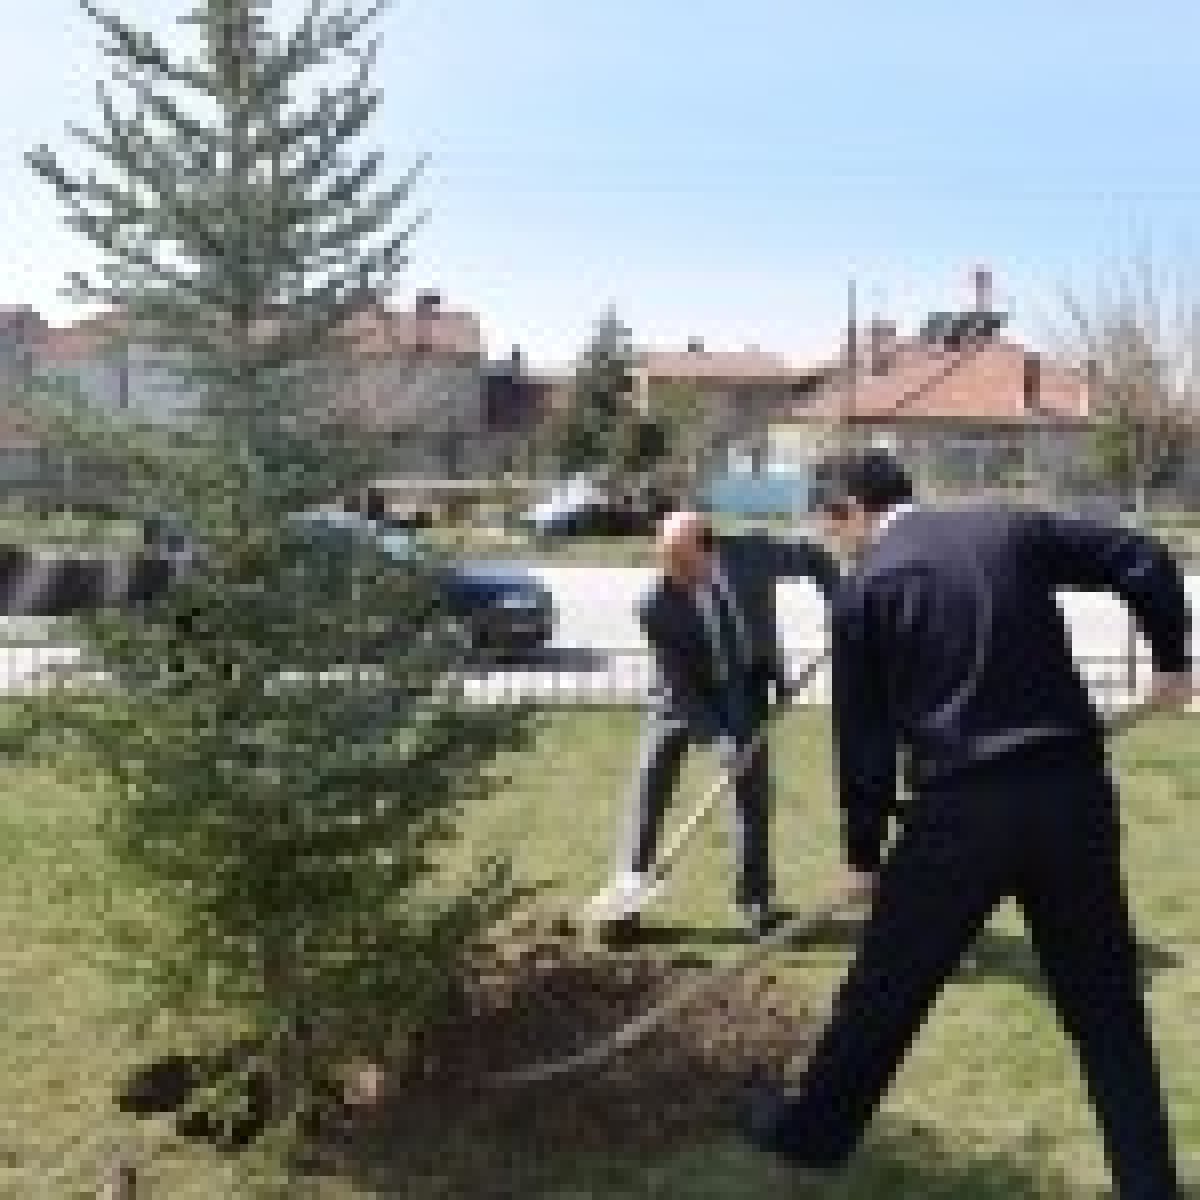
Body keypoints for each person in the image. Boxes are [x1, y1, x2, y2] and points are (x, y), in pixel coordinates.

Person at [741, 451, 1193, 1198]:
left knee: (885, 989)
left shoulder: (865, 588)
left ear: (850, 510)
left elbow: (863, 744)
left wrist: (863, 855)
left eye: (830, 526)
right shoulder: (1003, 527)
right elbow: (1142, 556)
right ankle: (1150, 1187)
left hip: (960, 815)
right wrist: (1172, 660)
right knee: (1107, 1007)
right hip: (1070, 795)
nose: (833, 542)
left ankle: (810, 1134)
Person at [604, 509, 839, 941]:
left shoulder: (751, 555)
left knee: (751, 796)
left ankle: (756, 905)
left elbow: (814, 557)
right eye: (666, 562)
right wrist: (718, 740)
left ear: (710, 549)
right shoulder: (654, 604)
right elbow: (682, 689)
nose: (673, 574)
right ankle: (626, 901)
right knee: (651, 787)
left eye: (682, 563)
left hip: (744, 688)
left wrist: (840, 606)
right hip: (681, 696)